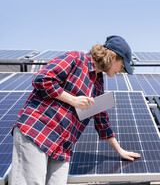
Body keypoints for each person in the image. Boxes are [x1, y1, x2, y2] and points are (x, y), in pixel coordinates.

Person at [11, 35, 141, 185]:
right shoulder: (77, 58)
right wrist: (73, 100)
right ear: (113, 56)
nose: (121, 71)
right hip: (38, 132)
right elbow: (42, 78)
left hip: (62, 145)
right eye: (122, 66)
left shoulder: (98, 82)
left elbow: (101, 119)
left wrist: (120, 150)